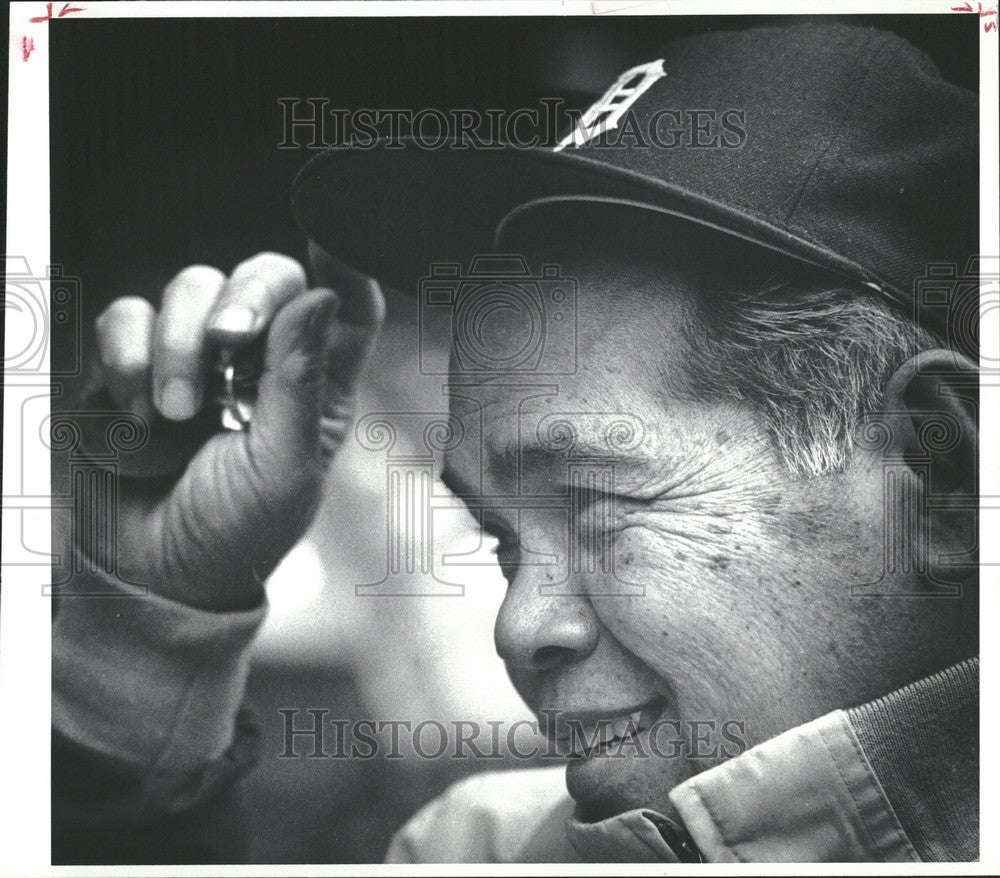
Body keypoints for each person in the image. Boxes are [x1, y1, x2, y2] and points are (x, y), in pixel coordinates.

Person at [52, 22, 980, 863]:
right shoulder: (471, 851)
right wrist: (144, 643)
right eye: (501, 538)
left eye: (602, 506)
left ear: (943, 478)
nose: (521, 629)